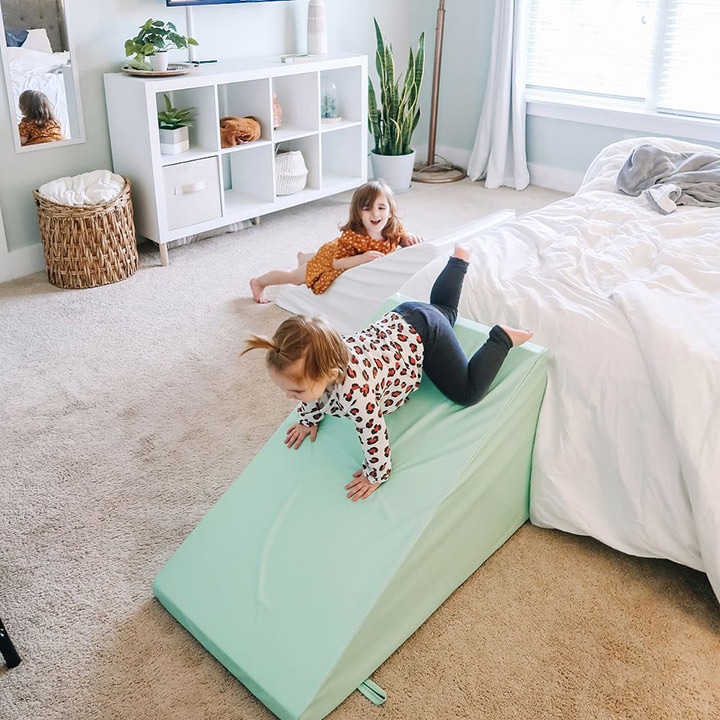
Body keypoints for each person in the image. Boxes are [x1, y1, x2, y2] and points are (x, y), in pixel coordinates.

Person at [242, 244, 533, 501]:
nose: (289, 397)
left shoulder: (356, 394)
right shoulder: (326, 355)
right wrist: (308, 419)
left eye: (296, 392)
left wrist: (375, 475)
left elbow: (375, 435)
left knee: (467, 392)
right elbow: (313, 392)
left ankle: (501, 339)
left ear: (331, 375)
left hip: (425, 335)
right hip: (403, 315)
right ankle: (458, 259)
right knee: (444, 309)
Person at [249, 180, 422, 303]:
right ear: (358, 213)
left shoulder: (392, 229)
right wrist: (361, 259)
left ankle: (304, 257)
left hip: (334, 249)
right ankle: (259, 282)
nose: (375, 214)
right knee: (294, 277)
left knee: (312, 259)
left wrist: (408, 238)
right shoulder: (353, 237)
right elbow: (337, 262)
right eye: (367, 209)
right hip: (331, 258)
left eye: (381, 208)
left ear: (391, 211)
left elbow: (401, 236)